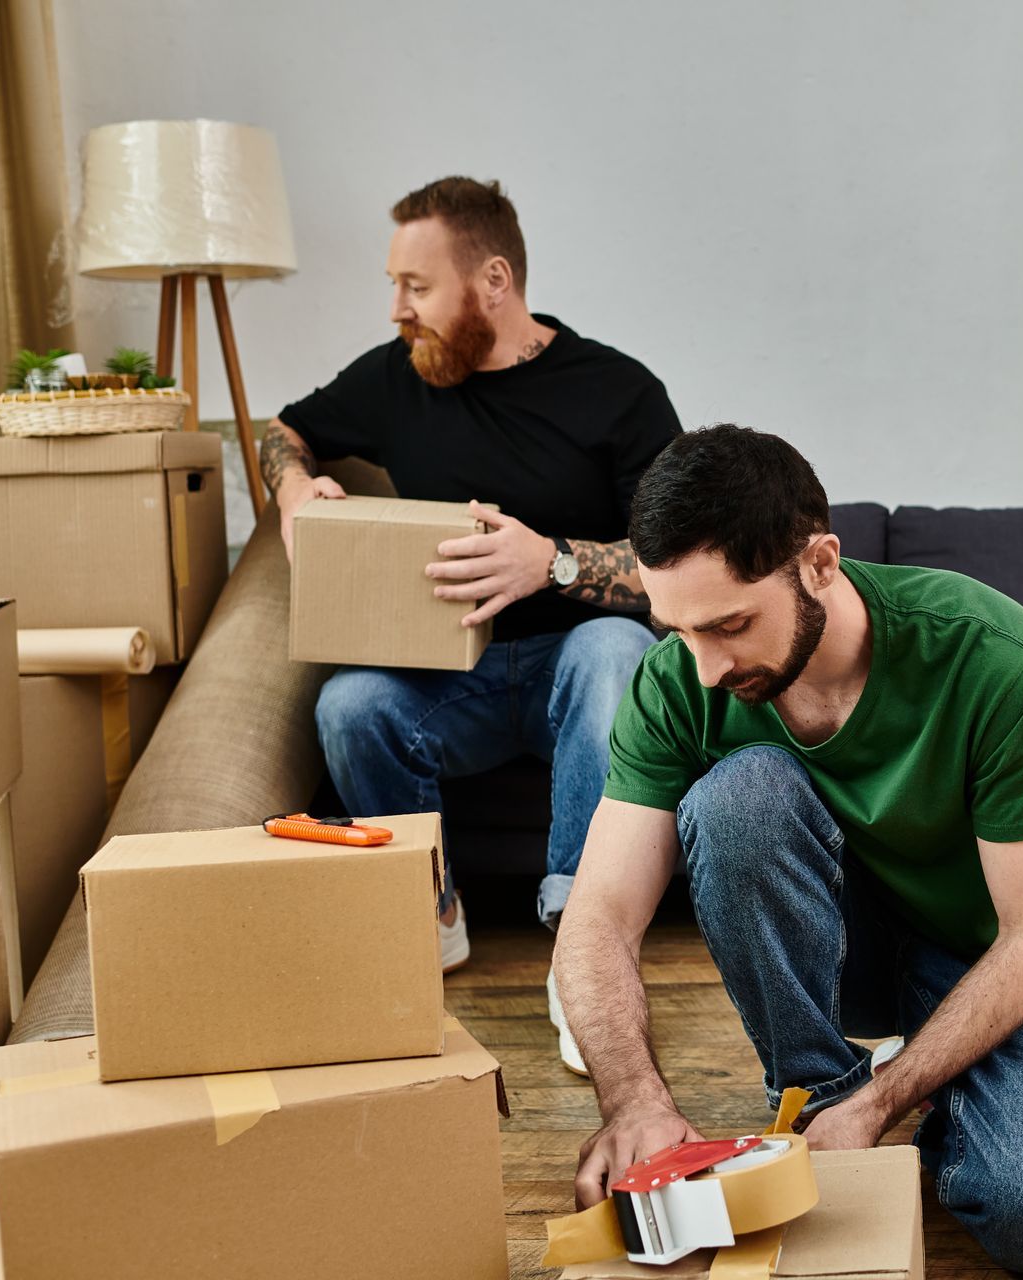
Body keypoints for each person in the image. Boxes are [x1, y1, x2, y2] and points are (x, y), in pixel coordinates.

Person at [552, 425, 1023, 1273]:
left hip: (983, 957)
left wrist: (890, 1100)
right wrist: (633, 1101)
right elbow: (595, 918)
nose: (704, 668)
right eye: (677, 630)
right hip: (829, 951)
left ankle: (895, 1096)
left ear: (820, 562)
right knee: (739, 797)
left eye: (731, 625)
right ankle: (823, 1096)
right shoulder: (677, 682)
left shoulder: (996, 658)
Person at [260, 176, 679, 1073]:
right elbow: (281, 428)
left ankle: (584, 954)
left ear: (494, 281)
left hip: (579, 664)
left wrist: (552, 560)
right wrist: (294, 485)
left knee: (616, 651)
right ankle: (431, 908)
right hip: (458, 680)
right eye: (394, 284)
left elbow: (678, 576)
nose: (397, 309)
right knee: (350, 704)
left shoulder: (618, 392)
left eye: (417, 286)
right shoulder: (395, 380)